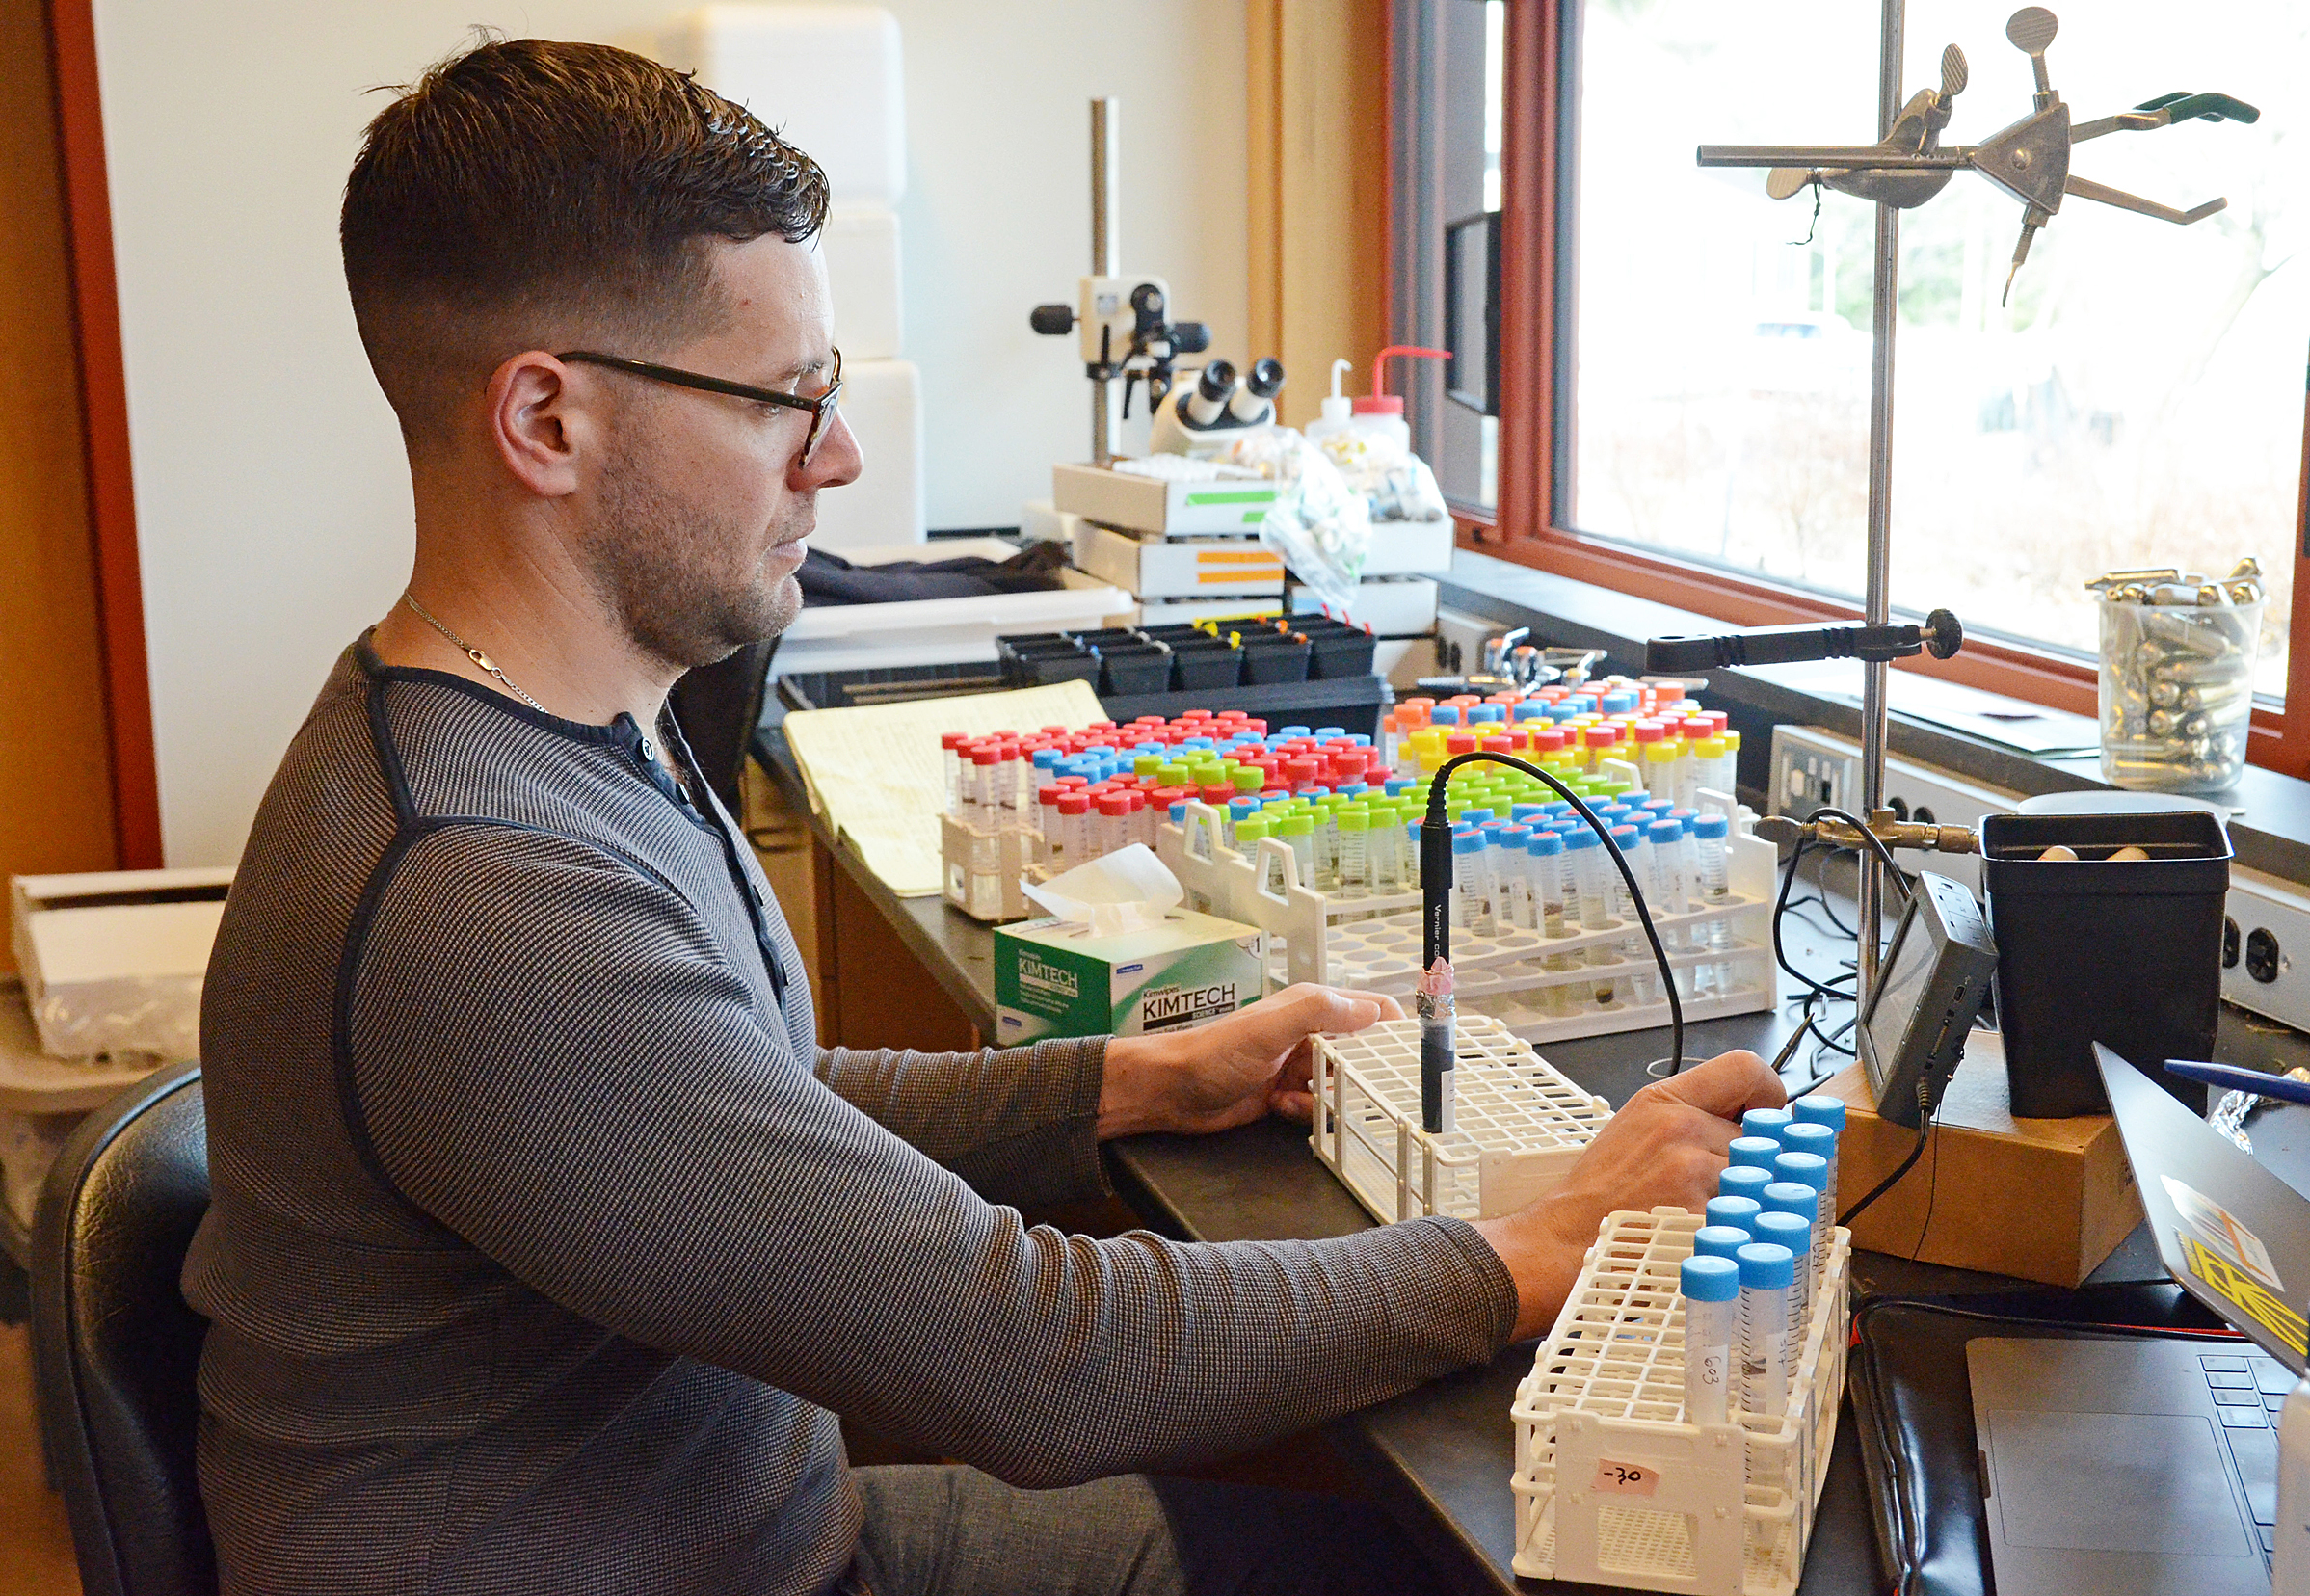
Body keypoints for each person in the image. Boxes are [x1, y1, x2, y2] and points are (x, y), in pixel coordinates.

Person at [182, 37, 1787, 1596]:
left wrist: (1131, 1082)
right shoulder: (483, 895)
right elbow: (1041, 1363)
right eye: (786, 400)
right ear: (547, 423)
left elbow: (752, 1101)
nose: (845, 457)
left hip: (752, 1526)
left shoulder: (569, 733)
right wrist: (1542, 1242)